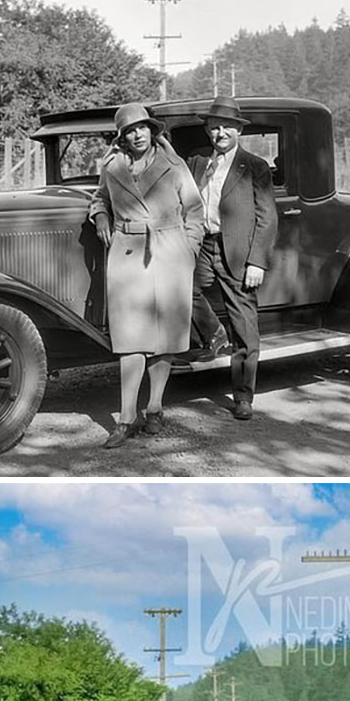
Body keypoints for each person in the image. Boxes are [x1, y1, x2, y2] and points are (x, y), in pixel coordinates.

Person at [90, 103, 205, 447]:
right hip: (127, 253)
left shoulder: (174, 165)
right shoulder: (111, 166)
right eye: (129, 130)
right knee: (130, 339)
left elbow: (195, 210)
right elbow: (99, 198)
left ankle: (154, 407)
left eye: (142, 127)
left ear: (152, 130)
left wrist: (189, 250)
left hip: (170, 251)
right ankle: (127, 417)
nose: (137, 134)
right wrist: (101, 217)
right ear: (122, 137)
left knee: (165, 337)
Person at [185, 97, 278, 420]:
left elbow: (267, 218)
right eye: (214, 127)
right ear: (208, 130)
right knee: (183, 290)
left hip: (237, 253)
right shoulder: (197, 163)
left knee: (244, 325)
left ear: (239, 130)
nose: (219, 132)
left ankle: (243, 396)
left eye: (226, 126)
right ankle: (214, 332)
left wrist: (257, 262)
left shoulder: (255, 167)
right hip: (203, 247)